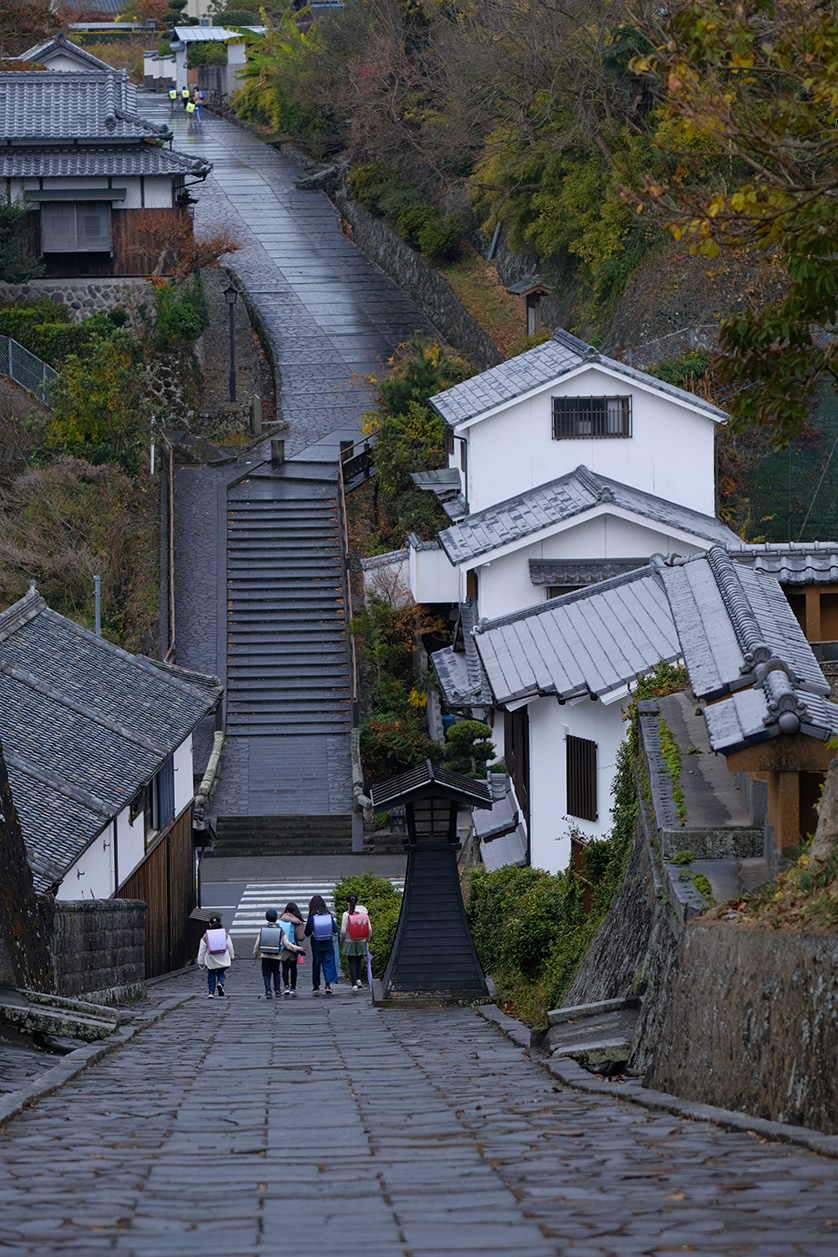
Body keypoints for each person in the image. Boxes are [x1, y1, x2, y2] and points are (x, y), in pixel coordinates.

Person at [304, 894, 337, 995]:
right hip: (328, 944)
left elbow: (307, 932)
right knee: (329, 964)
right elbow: (335, 929)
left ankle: (316, 986)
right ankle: (328, 985)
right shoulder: (328, 916)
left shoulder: (311, 918)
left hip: (316, 945)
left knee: (316, 965)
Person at [340, 894, 371, 991]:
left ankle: (354, 984)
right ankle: (359, 979)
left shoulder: (346, 914)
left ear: (347, 903)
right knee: (359, 960)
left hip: (350, 940)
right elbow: (369, 928)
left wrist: (342, 940)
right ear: (357, 902)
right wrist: (368, 938)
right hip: (362, 940)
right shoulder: (364, 912)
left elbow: (343, 930)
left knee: (352, 961)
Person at [197, 915, 234, 998]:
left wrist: (201, 962)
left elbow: (202, 951)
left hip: (211, 959)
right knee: (221, 973)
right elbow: (230, 946)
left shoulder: (205, 936)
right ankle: (220, 983)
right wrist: (232, 956)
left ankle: (211, 992)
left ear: (210, 924)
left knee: (211, 975)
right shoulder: (225, 934)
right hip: (223, 957)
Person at [253, 908, 283, 999]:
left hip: (265, 955)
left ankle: (268, 990)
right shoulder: (279, 930)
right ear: (277, 918)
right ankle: (277, 990)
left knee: (266, 973)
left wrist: (255, 954)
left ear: (266, 918)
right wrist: (296, 948)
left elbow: (257, 943)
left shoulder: (263, 930)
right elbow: (286, 943)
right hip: (276, 956)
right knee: (276, 972)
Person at [279, 901, 305, 997]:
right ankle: (293, 987)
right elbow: (301, 937)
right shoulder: (297, 922)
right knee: (293, 968)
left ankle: (286, 986)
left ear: (286, 910)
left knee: (285, 967)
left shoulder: (281, 920)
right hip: (294, 947)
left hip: (283, 947)